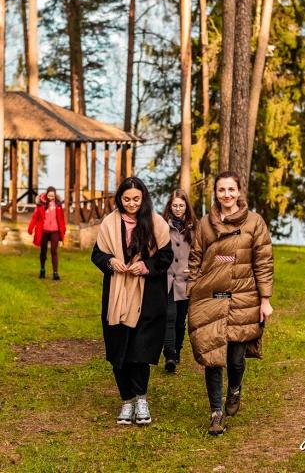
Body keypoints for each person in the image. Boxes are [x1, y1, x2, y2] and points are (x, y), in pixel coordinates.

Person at [187, 171, 274, 436]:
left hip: (242, 297)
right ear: (215, 193)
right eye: (221, 190)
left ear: (239, 191)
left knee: (236, 359)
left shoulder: (255, 222)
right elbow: (196, 258)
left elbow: (263, 262)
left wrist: (265, 300)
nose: (226, 195)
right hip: (211, 296)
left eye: (231, 189)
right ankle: (216, 413)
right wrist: (192, 290)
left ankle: (234, 389)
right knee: (212, 356)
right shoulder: (205, 224)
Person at [91, 176, 173, 426]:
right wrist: (110, 261)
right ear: (120, 199)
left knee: (139, 351)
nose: (131, 204)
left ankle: (141, 399)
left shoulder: (156, 223)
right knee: (119, 350)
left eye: (136, 199)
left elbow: (165, 256)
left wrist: (146, 266)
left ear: (143, 198)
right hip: (116, 296)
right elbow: (97, 254)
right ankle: (126, 400)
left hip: (146, 296)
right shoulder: (109, 223)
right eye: (126, 199)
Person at [162, 189, 197, 373]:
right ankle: (169, 354)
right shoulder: (162, 226)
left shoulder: (194, 227)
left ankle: (177, 350)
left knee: (179, 320)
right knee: (169, 316)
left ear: (186, 207)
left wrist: (194, 269)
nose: (177, 209)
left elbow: (199, 252)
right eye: (174, 205)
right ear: (170, 207)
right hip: (167, 278)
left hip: (185, 279)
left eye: (181, 205)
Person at [28, 186, 66, 280]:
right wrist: (30, 228)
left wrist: (63, 230)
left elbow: (61, 219)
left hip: (55, 231)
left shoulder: (58, 205)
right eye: (49, 196)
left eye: (53, 196)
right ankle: (42, 269)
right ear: (46, 195)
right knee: (43, 251)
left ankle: (55, 273)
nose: (51, 198)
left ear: (55, 195)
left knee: (54, 251)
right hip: (44, 231)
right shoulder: (41, 204)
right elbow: (35, 217)